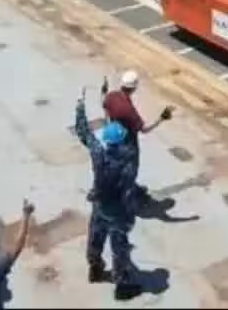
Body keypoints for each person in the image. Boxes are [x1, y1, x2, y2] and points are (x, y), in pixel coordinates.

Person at [76, 97, 143, 301]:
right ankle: (121, 285)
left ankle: (95, 268)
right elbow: (129, 192)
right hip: (118, 212)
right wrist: (130, 216)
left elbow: (84, 133)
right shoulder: (128, 161)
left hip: (100, 206)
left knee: (95, 237)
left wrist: (80, 109)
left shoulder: (98, 153)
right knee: (119, 247)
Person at [102, 70, 173, 201]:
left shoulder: (111, 96)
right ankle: (127, 199)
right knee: (130, 171)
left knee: (116, 166)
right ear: (134, 88)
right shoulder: (128, 110)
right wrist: (161, 118)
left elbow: (104, 105)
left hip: (113, 139)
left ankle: (115, 189)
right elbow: (144, 129)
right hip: (128, 145)